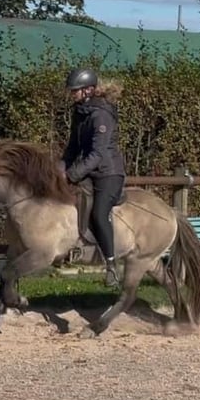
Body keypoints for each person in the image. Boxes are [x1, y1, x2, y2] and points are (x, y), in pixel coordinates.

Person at [60, 67, 126, 287]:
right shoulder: (80, 112)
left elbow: (97, 154)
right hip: (88, 171)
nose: (72, 94)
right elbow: (72, 149)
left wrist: (73, 174)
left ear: (88, 90)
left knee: (99, 214)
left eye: (75, 90)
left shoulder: (101, 114)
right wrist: (60, 170)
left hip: (109, 173)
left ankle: (111, 266)